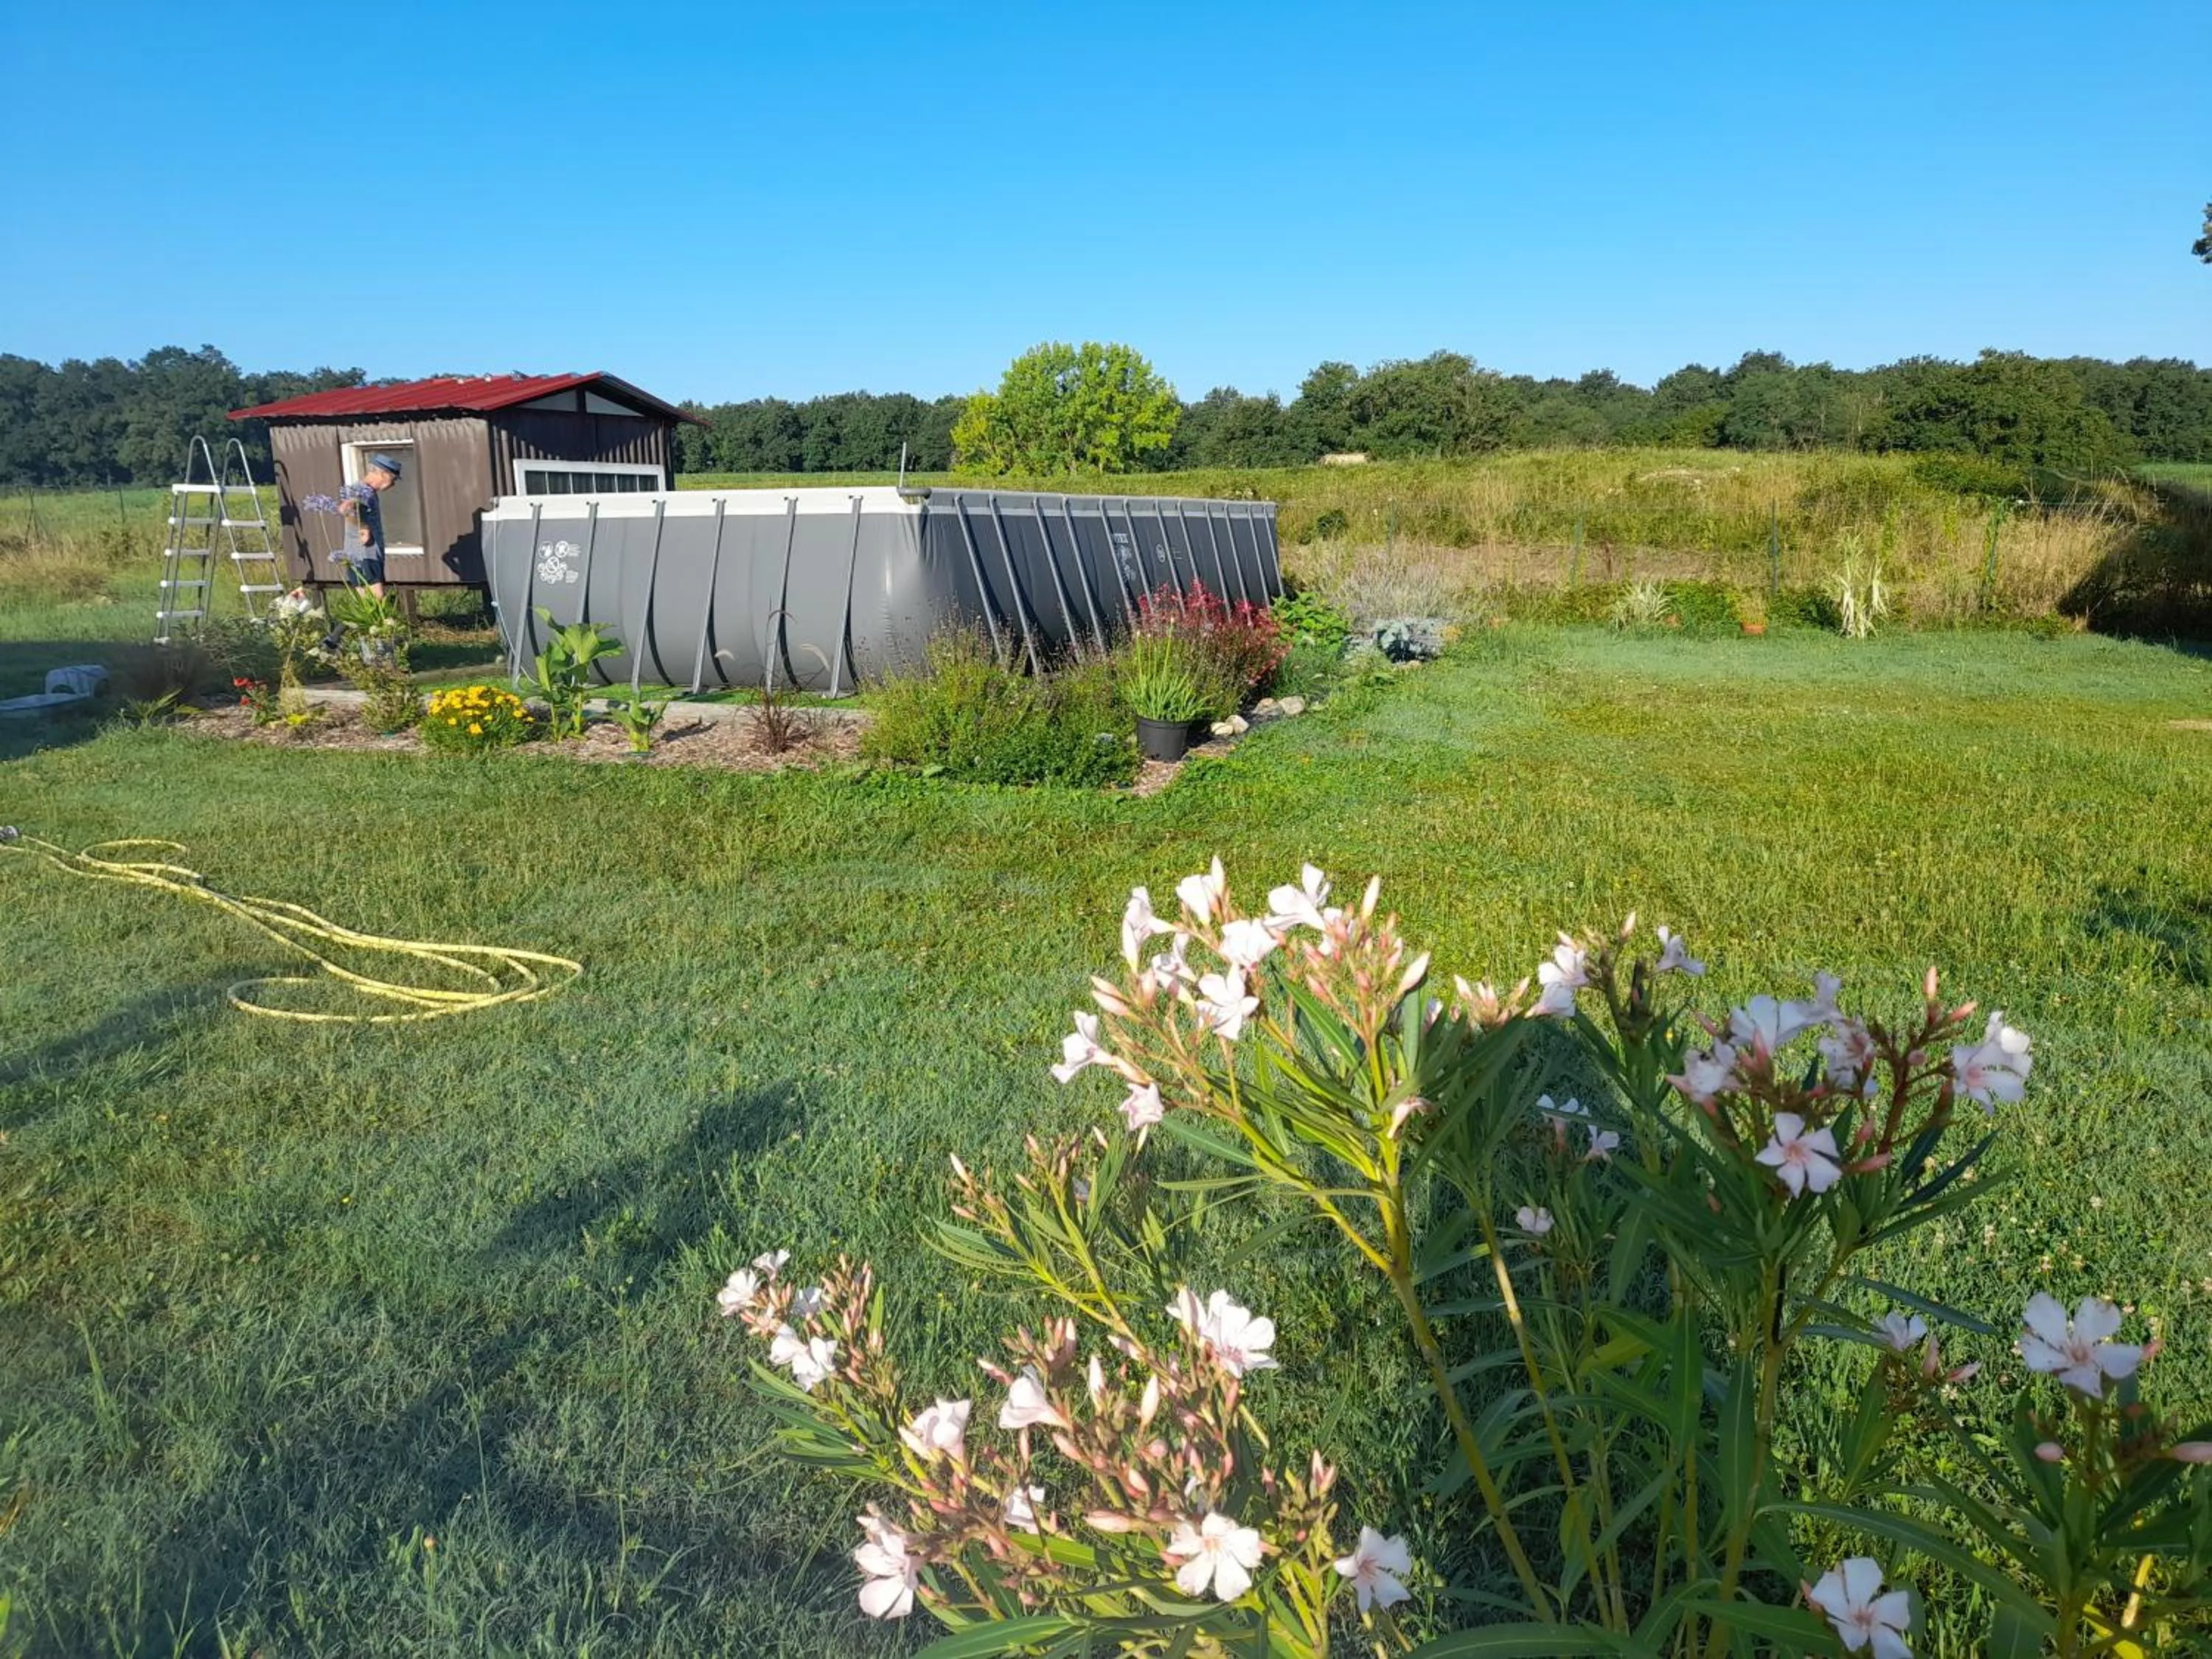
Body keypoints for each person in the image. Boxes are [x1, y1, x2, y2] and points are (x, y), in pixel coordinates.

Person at [338, 453, 403, 600]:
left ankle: (371, 623)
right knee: (378, 597)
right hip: (366, 555)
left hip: (359, 555)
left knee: (366, 600)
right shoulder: (362, 491)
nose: (393, 485)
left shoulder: (368, 492)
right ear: (383, 474)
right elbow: (346, 508)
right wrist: (363, 527)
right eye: (393, 480)